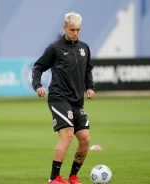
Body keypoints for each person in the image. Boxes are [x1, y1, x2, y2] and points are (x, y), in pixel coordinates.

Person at [32, 12, 96, 184]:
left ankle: (73, 177)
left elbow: (87, 70)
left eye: (78, 30)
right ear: (64, 28)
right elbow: (38, 67)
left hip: (77, 101)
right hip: (58, 98)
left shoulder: (84, 48)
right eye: (72, 29)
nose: (75, 33)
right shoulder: (55, 48)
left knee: (85, 140)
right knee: (67, 135)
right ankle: (54, 178)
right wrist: (37, 86)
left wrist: (90, 87)